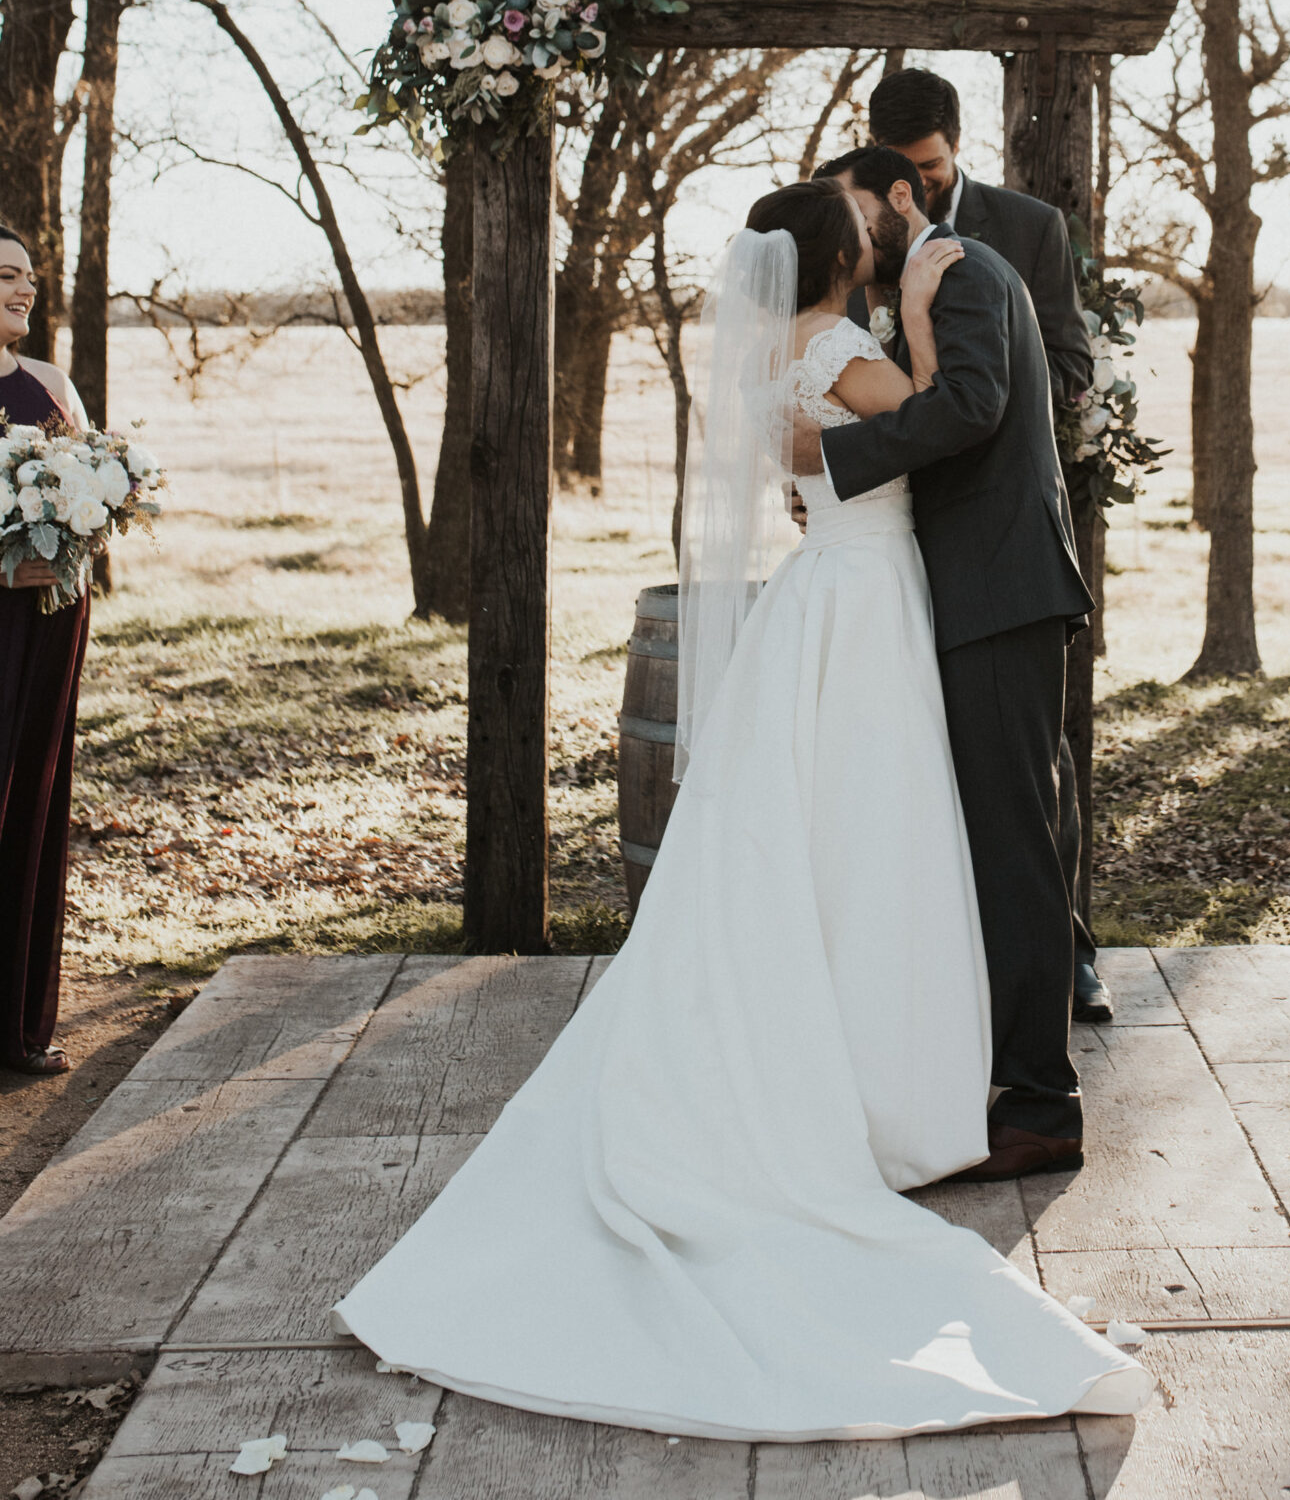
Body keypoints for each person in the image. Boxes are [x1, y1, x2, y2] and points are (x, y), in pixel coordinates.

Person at [336, 178, 1149, 1438]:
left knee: (828, 841)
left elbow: (868, 444)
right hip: (866, 599)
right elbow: (943, 415)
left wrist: (880, 377)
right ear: (842, 250)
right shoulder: (844, 339)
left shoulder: (810, 337)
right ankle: (904, 1077)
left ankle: (900, 1058)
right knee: (875, 841)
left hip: (842, 589)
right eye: (856, 219)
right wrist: (916, 337)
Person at [799, 146, 1094, 1178]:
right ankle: (990, 1068)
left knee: (1017, 842)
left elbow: (972, 409)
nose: (845, 239)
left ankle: (1041, 1102)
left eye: (851, 212)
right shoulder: (922, 285)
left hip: (999, 593)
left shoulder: (962, 269)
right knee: (992, 835)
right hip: (970, 591)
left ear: (897, 196)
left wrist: (829, 464)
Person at [861, 65, 1111, 1025]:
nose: (919, 188)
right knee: (946, 759)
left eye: (930, 167)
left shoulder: (1024, 230)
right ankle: (967, 962)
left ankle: (1064, 959)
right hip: (902, 536)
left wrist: (1005, 384)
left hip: (991, 514)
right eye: (904, 172)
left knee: (1028, 761)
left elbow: (1063, 355)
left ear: (954, 146)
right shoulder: (866, 233)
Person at [0, 229, 92, 1077]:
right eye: (3, 277)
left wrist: (67, 546)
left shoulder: (53, 388)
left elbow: (95, 506)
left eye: (26, 277)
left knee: (30, 802)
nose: (22, 290)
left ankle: (17, 1025)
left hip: (46, 622)